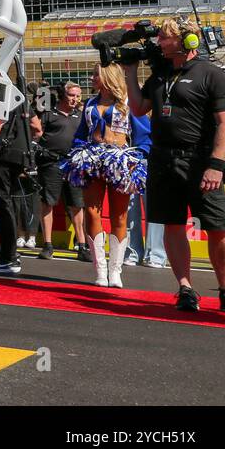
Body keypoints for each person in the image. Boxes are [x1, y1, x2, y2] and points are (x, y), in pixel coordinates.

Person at [125, 17, 225, 313]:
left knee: (217, 226)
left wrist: (216, 164)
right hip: (163, 159)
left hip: (201, 161)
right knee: (173, 225)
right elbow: (140, 107)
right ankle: (185, 289)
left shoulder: (212, 75)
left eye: (166, 38)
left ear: (188, 41)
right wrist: (129, 73)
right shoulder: (161, 75)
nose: (160, 43)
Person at [60, 64, 150, 288]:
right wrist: (79, 153)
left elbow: (144, 135)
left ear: (108, 78)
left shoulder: (128, 103)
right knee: (92, 213)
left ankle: (115, 271)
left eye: (95, 75)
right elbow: (81, 133)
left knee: (120, 216)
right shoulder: (89, 104)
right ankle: (100, 269)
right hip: (93, 160)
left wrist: (136, 158)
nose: (91, 78)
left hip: (119, 161)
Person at [0, 95, 39, 274]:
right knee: (6, 204)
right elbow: (37, 127)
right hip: (18, 156)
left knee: (0, 205)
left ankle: (8, 257)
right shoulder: (20, 99)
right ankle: (8, 254)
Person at [35, 81, 85, 259]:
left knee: (77, 205)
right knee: (47, 202)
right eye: (72, 95)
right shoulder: (49, 114)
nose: (75, 99)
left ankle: (82, 246)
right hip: (51, 164)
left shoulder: (81, 116)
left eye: (78, 96)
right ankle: (48, 245)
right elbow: (36, 132)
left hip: (73, 165)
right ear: (64, 95)